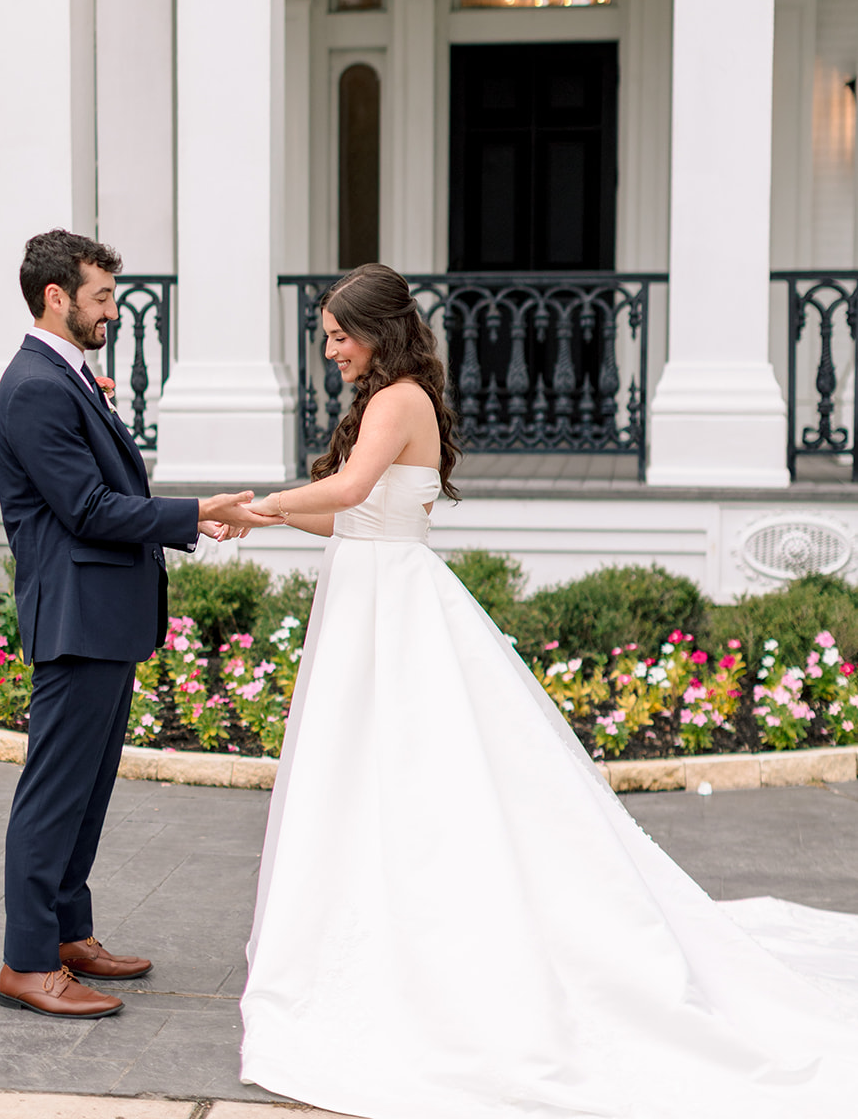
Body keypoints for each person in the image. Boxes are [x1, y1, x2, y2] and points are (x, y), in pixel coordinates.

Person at [240, 263, 858, 1119]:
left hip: (389, 603)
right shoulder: (388, 399)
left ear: (377, 330)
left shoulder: (398, 400)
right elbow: (346, 515)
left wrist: (260, 502)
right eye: (327, 336)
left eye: (340, 335)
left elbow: (345, 492)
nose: (330, 348)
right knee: (365, 772)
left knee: (408, 772)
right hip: (365, 591)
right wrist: (251, 517)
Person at [0, 229, 276, 1020]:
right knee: (53, 794)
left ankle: (67, 935)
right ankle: (26, 961)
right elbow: (84, 509)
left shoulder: (69, 377)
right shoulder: (36, 386)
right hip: (75, 620)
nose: (111, 310)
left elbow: (98, 491)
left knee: (86, 792)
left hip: (104, 619)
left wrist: (187, 516)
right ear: (57, 296)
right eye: (102, 296)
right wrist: (194, 511)